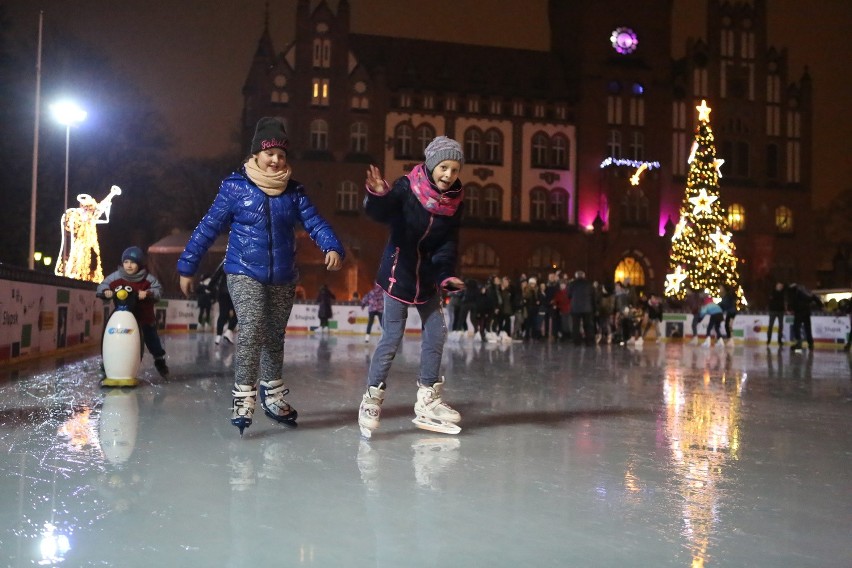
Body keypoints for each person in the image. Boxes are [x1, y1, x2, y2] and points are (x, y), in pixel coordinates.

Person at [177, 116, 344, 434]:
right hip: (243, 270)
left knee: (273, 337)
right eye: (270, 153)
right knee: (252, 330)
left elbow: (315, 222)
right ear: (255, 155)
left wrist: (331, 245)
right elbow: (208, 227)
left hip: (283, 274)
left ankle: (273, 395)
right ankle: (243, 396)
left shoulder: (294, 192)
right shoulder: (234, 188)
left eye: (281, 155)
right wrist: (188, 265)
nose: (276, 160)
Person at [357, 135, 466, 438]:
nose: (448, 175)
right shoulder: (407, 187)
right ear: (432, 165)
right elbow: (384, 212)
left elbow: (447, 244)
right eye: (443, 167)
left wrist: (446, 275)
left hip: (428, 277)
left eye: (454, 169)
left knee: (436, 330)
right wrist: (379, 194)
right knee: (392, 336)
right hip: (399, 273)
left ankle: (427, 399)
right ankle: (371, 398)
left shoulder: (455, 202)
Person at [97, 246, 169, 377]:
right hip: (122, 316)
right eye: (126, 262)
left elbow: (158, 290)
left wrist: (148, 293)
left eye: (133, 262)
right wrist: (105, 291)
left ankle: (159, 360)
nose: (129, 265)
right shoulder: (116, 277)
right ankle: (108, 362)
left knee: (151, 338)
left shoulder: (148, 279)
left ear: (140, 264)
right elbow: (102, 285)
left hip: (144, 317)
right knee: (114, 337)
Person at [209, 260, 237, 345]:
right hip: (234, 292)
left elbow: (216, 275)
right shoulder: (241, 260)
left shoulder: (225, 261)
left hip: (223, 292)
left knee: (222, 314)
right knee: (238, 313)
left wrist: (210, 287)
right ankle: (229, 331)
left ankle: (218, 336)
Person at [787, 283, 821, 352]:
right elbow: (813, 297)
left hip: (799, 312)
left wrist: (789, 308)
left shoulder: (795, 292)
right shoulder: (803, 292)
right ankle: (810, 343)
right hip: (806, 312)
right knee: (807, 328)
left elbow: (792, 301)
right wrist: (820, 305)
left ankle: (799, 343)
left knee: (796, 327)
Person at [766, 281, 786, 347]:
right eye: (779, 285)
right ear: (776, 285)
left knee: (780, 326)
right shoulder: (772, 292)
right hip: (773, 311)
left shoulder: (783, 293)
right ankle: (768, 340)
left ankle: (779, 340)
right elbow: (770, 300)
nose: (780, 287)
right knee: (770, 325)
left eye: (781, 286)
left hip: (781, 311)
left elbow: (784, 302)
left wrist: (785, 309)